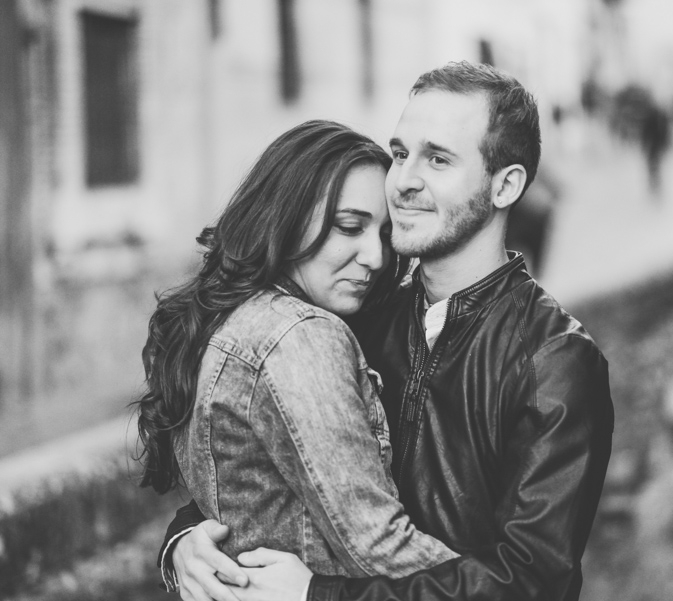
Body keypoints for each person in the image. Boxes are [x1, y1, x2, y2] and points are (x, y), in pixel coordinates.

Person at [159, 61, 614, 601]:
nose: (403, 180)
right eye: (400, 153)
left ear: (505, 185)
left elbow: (534, 582)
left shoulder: (554, 361)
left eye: (438, 159)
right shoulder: (354, 320)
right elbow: (278, 470)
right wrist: (184, 541)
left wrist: (322, 596)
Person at [135, 120, 460, 601]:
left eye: (385, 233)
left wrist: (179, 542)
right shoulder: (299, 336)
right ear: (284, 219)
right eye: (349, 227)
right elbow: (376, 543)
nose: (374, 256)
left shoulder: (231, 322)